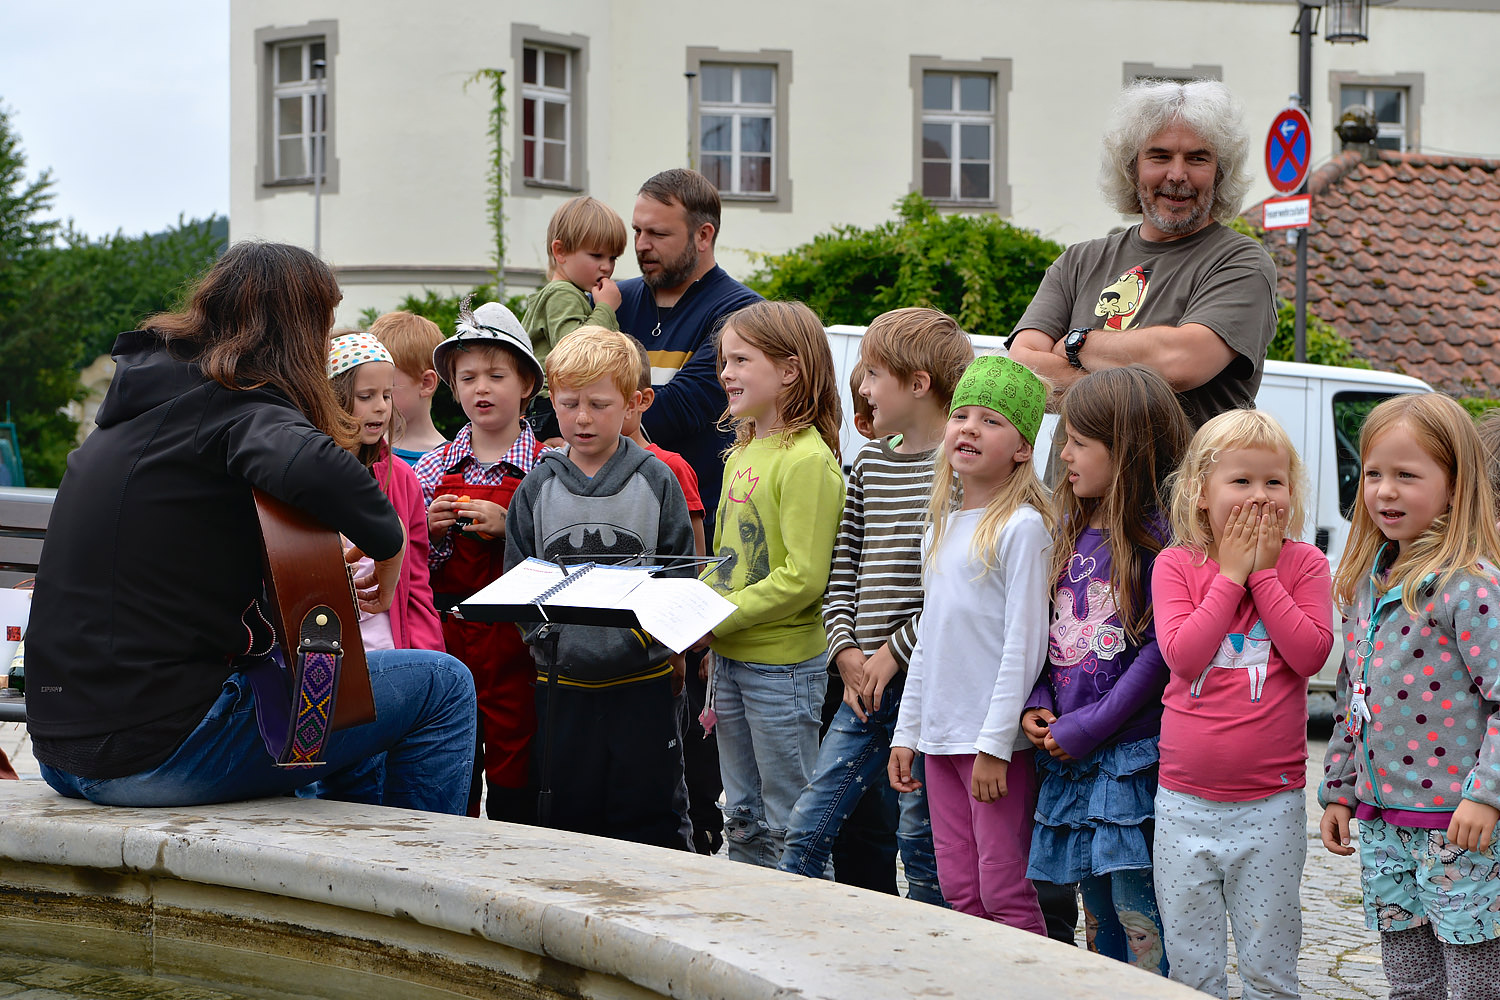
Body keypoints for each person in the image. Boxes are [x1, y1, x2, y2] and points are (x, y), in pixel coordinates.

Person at [24, 241, 475, 813]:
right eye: (323, 327)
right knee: (443, 687)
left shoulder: (144, 413)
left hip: (64, 752)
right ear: (297, 331)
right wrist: (387, 563)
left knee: (338, 681)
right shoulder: (243, 409)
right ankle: (418, 885)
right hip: (157, 754)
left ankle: (346, 848)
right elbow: (339, 484)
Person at [778, 307, 971, 904]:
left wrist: (893, 651)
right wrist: (846, 651)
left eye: (873, 374)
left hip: (926, 689)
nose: (860, 387)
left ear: (918, 384)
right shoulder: (869, 466)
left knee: (920, 844)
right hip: (862, 685)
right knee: (807, 827)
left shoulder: (963, 474)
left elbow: (958, 593)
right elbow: (844, 568)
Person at [1319, 393, 1500, 1000]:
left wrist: (1487, 797)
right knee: (1410, 982)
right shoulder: (1368, 581)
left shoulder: (1468, 587)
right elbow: (1354, 693)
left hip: (1458, 826)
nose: (1385, 492)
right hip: (1382, 822)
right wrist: (1340, 790)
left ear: (1453, 485)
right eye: (1374, 474)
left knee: (1472, 982)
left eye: (1406, 475)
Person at [1152, 408, 1333, 999]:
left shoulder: (1304, 563)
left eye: (1273, 482)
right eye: (1241, 481)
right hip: (1183, 802)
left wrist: (1262, 577)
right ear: (1201, 494)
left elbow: (1309, 654)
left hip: (1272, 805)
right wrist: (1230, 576)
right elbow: (1183, 655)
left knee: (1268, 964)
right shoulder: (1176, 564)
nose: (1260, 496)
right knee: (1192, 966)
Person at [1020, 366, 1191, 974]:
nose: (1062, 454)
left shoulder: (1159, 543)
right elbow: (1045, 632)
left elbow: (1159, 656)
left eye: (1077, 442)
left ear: (1126, 451)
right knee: (1095, 913)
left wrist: (1091, 726)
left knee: (1135, 909)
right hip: (1069, 755)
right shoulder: (1066, 529)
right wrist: (1038, 698)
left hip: (1126, 758)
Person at [504, 325, 694, 849]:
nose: (583, 417)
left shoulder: (658, 481)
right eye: (570, 404)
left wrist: (662, 646)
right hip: (562, 688)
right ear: (552, 402)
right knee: (568, 820)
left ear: (634, 403)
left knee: (653, 815)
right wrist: (545, 645)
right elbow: (519, 579)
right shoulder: (536, 486)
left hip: (644, 683)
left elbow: (680, 575)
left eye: (599, 404)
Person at [617, 169, 762, 853]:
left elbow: (670, 417)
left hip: (697, 551)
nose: (639, 245)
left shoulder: (736, 316)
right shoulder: (615, 302)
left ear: (704, 235)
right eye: (636, 230)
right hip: (619, 543)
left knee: (690, 744)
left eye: (657, 233)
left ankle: (698, 852)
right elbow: (560, 392)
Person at [889, 355, 1054, 932]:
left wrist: (996, 744)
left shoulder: (1024, 528)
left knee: (1003, 888)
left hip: (989, 748)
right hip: (939, 740)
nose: (969, 428)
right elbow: (930, 641)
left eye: (991, 420)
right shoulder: (940, 527)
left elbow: (1024, 645)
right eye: (962, 415)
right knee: (960, 889)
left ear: (1023, 448)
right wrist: (908, 732)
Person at [1006, 80, 1276, 429]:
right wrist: (1143, 388)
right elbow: (1023, 370)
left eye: (1197, 158)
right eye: (1159, 156)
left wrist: (1076, 344)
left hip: (1183, 485)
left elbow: (1181, 361)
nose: (1177, 175)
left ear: (1220, 173)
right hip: (1072, 485)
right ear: (1131, 169)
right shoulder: (1077, 262)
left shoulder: (1240, 263)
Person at [696, 300, 844, 868]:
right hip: (731, 660)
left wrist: (716, 616)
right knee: (742, 815)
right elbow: (729, 558)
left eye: (740, 360)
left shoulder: (807, 460)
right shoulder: (742, 452)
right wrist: (696, 603)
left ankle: (806, 939)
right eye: (723, 361)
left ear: (789, 370)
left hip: (782, 670)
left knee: (790, 821)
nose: (725, 373)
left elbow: (804, 578)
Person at [414, 298, 548, 821]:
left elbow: (562, 553)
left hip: (518, 640)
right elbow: (402, 559)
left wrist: (510, 523)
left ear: (527, 386)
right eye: (467, 378)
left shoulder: (546, 466)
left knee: (518, 755)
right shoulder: (433, 465)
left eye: (496, 375)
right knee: (453, 749)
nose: (481, 388)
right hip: (448, 634)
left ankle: (517, 853)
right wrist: (425, 529)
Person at [326, 331, 444, 653]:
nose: (380, 407)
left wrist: (428, 655)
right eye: (366, 396)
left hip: (390, 651)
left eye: (387, 395)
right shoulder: (306, 477)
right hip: (325, 650)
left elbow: (416, 585)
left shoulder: (403, 479)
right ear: (332, 399)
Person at [521, 195, 628, 444]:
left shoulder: (568, 292)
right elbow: (576, 350)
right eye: (596, 255)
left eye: (612, 258)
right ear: (560, 252)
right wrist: (605, 308)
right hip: (553, 407)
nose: (606, 267)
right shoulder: (562, 293)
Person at [369, 311, 448, 466]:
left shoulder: (451, 463)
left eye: (387, 390)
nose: (376, 403)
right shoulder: (359, 451)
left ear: (426, 383)